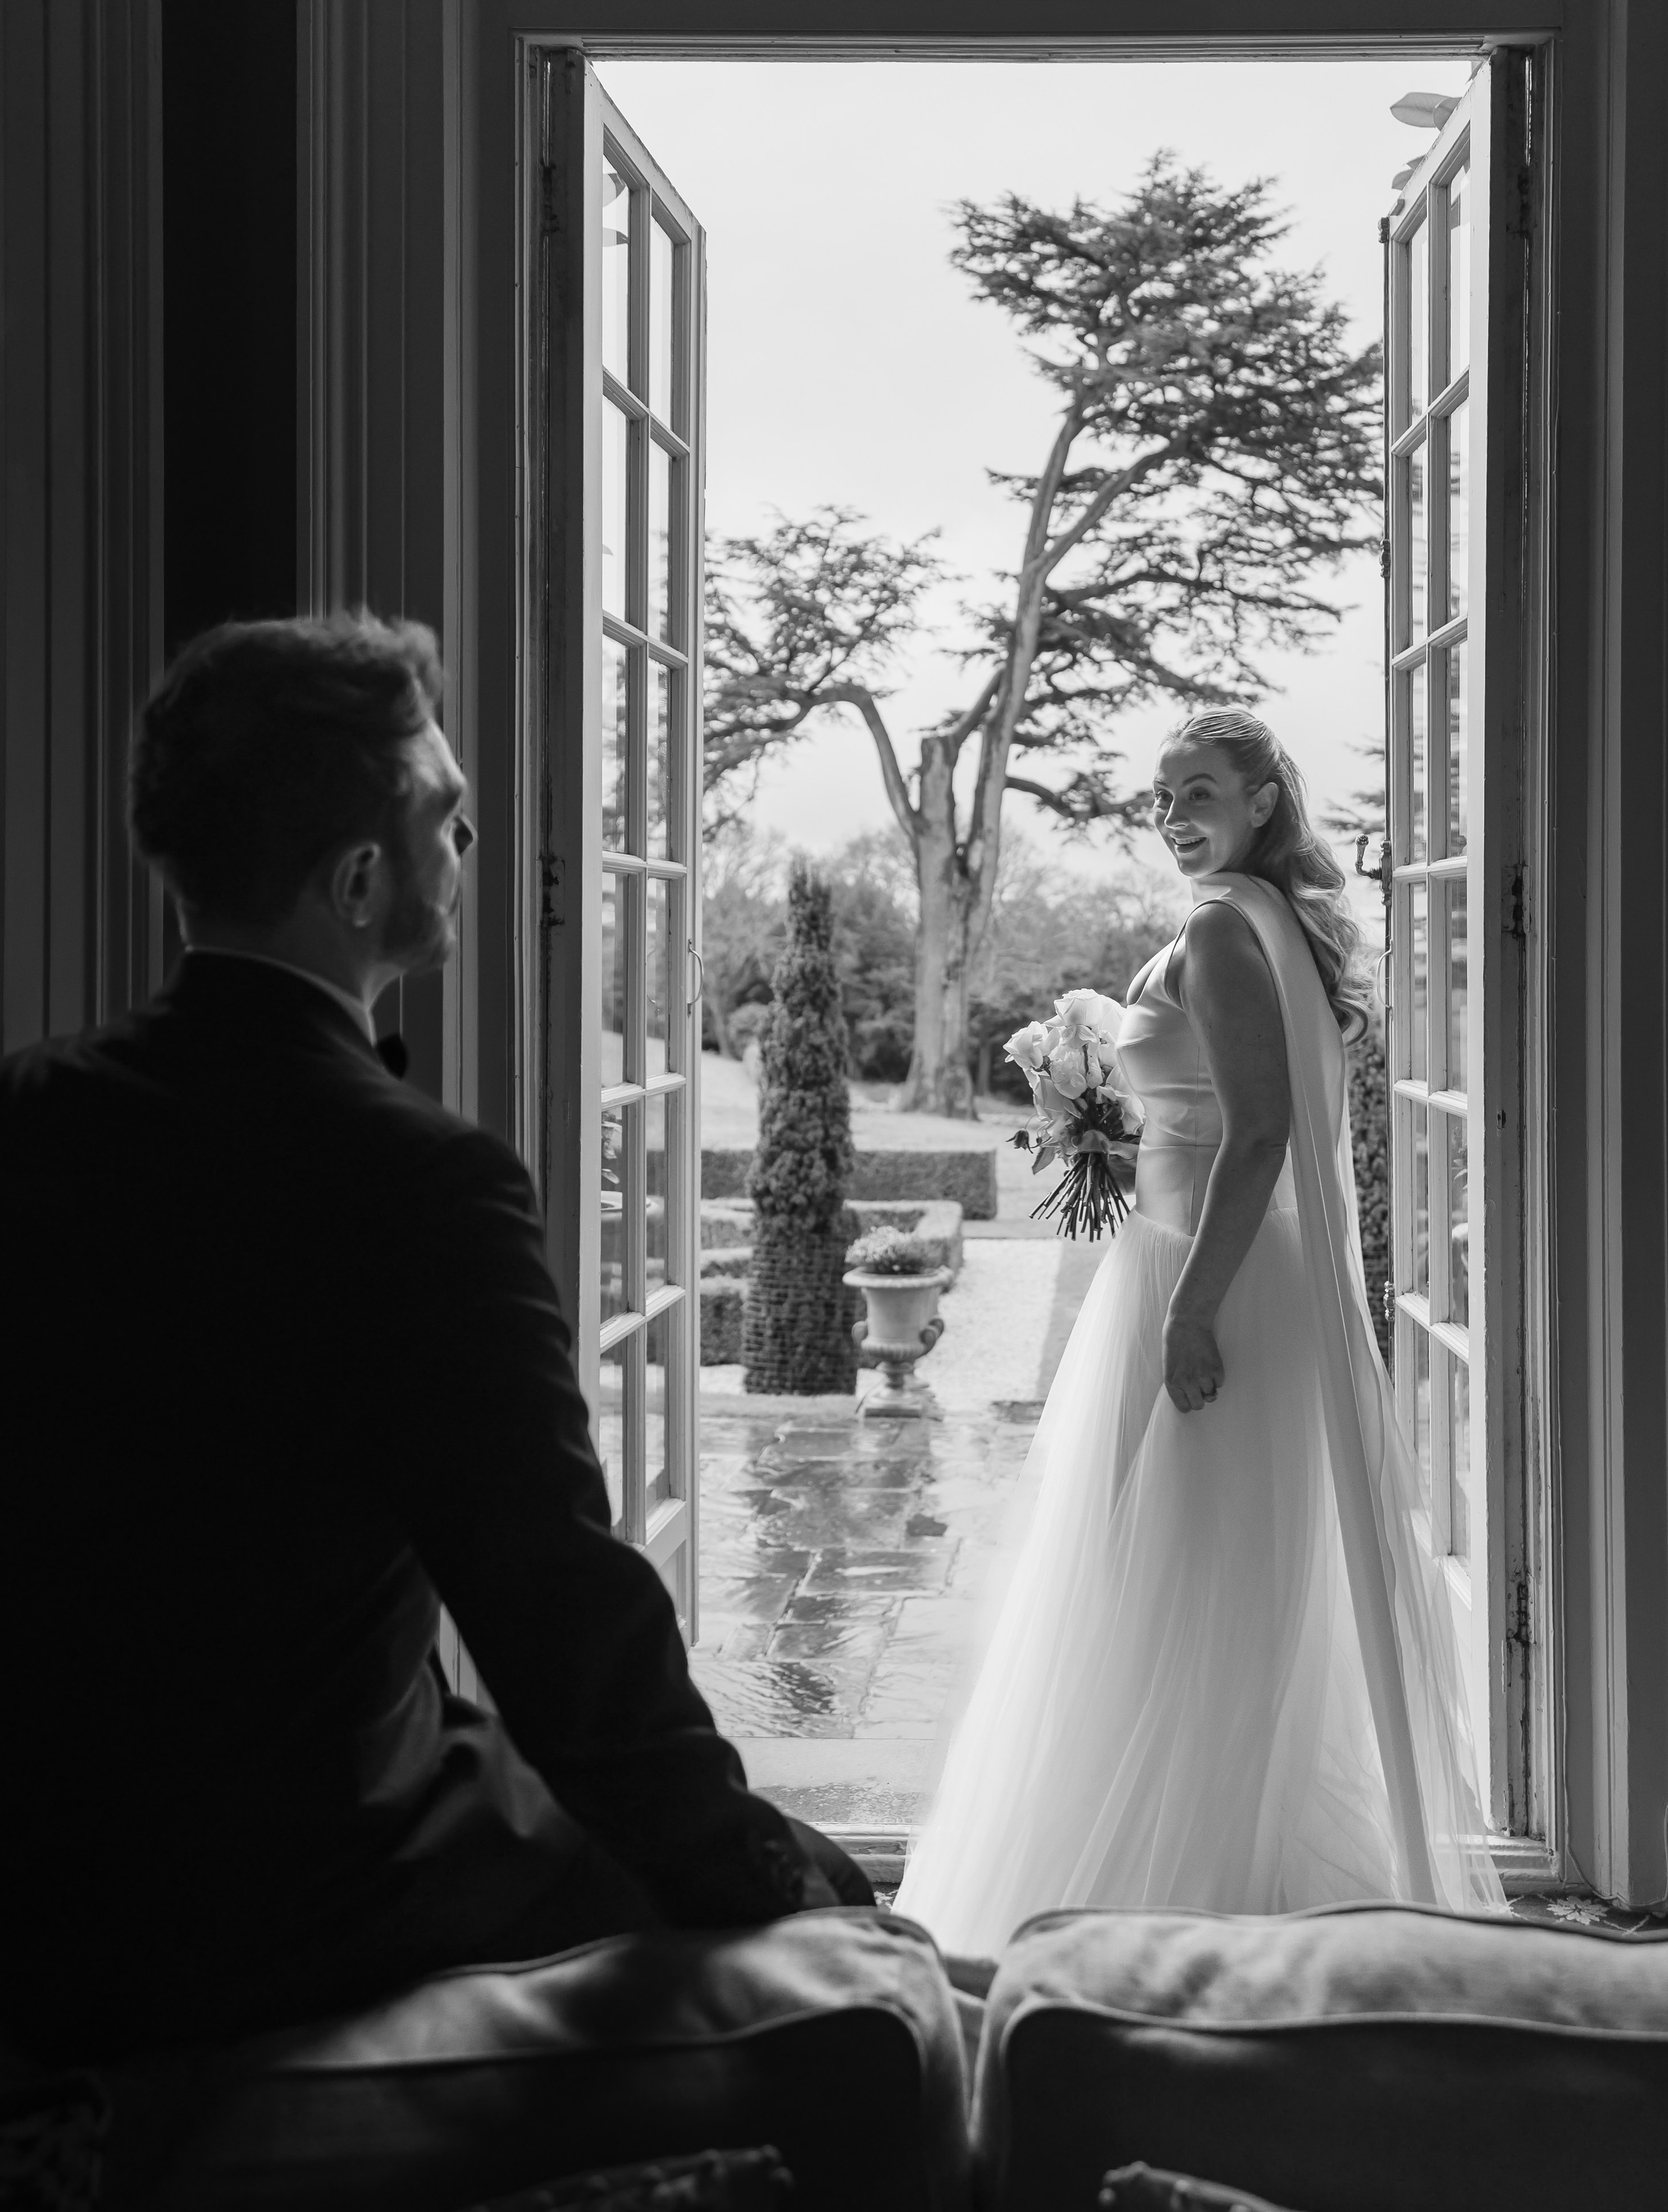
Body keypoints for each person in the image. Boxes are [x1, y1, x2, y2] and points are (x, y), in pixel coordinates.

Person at [0, 612, 869, 2069]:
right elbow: (562, 1628)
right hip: (293, 1878)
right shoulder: (417, 1182)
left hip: (35, 1873)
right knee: (820, 1925)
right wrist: (786, 1893)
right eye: (446, 815)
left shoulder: (27, 1114)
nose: (472, 830)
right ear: (357, 884)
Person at [895, 708, 1503, 1955]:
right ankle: (1228, 1887)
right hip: (1217, 1267)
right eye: (1162, 796)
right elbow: (1223, 1113)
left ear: (1263, 800)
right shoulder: (1266, 921)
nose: (1174, 814)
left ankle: (1168, 1902)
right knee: (1203, 1580)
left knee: (1167, 1580)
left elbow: (1261, 1135)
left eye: (1201, 791)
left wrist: (1188, 1310)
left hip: (1206, 1284)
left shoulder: (1227, 930)